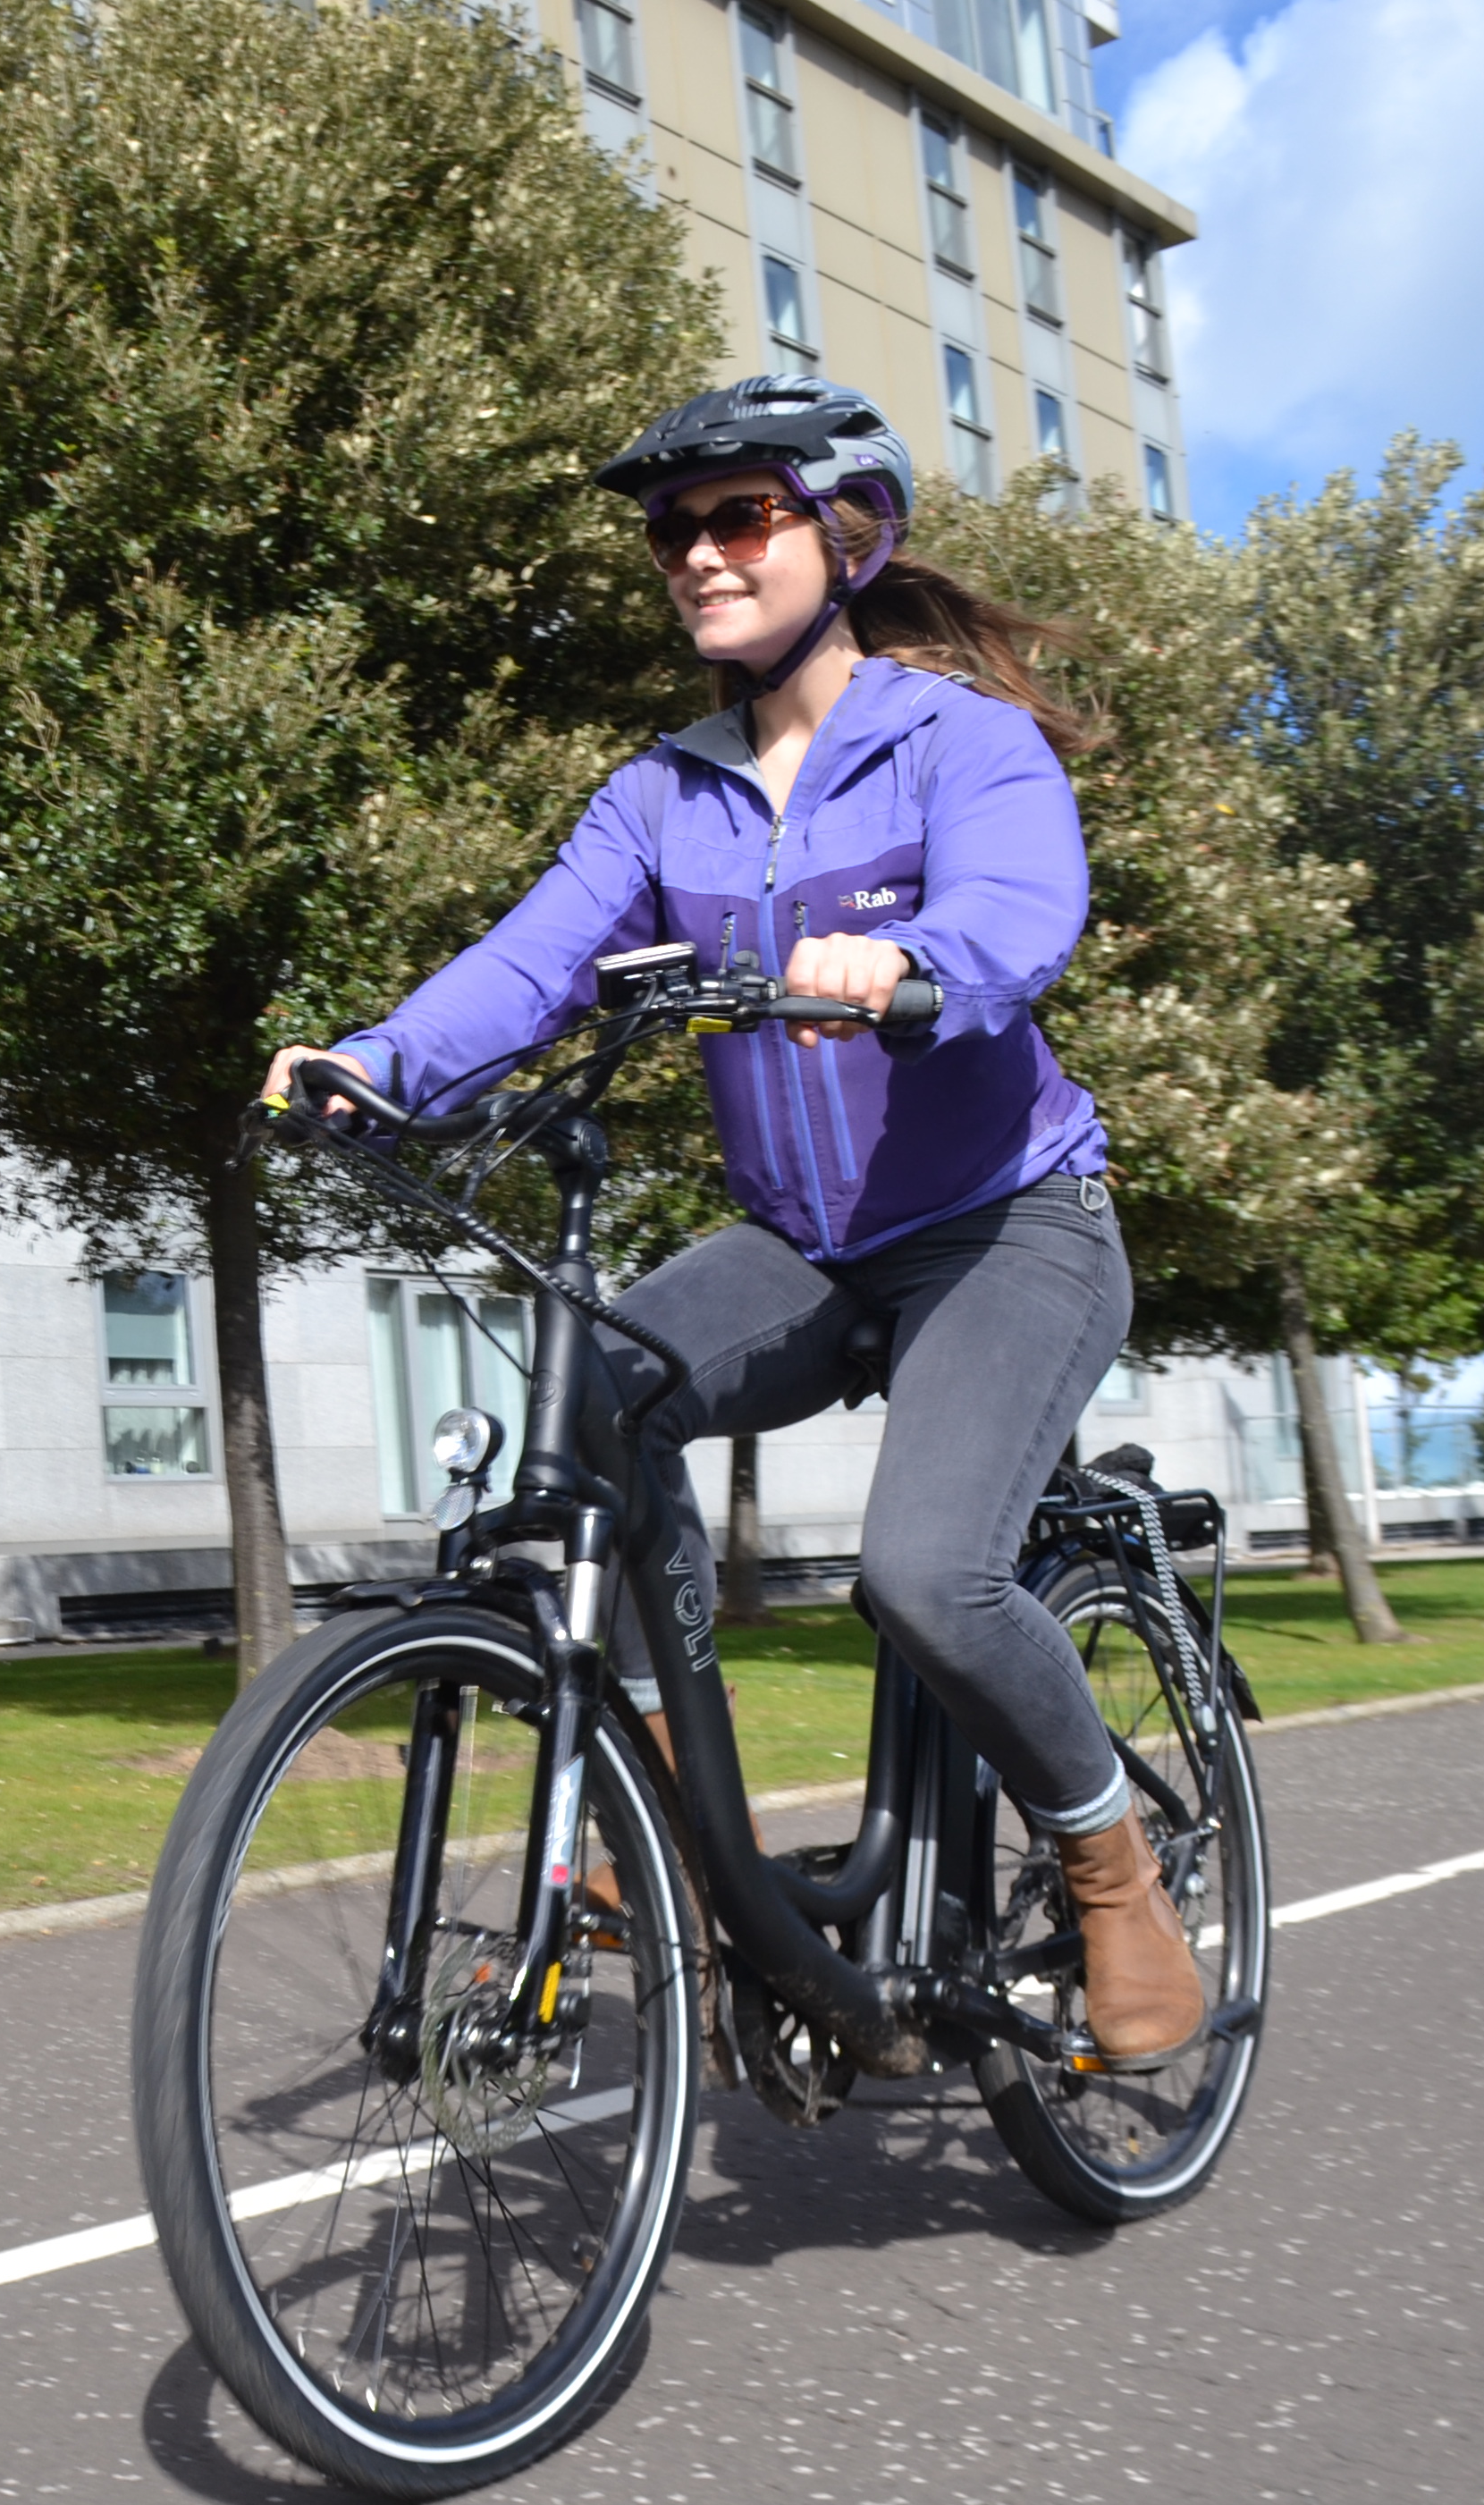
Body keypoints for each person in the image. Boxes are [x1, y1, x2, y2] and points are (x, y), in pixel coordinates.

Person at [265, 374, 1199, 2060]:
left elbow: (1019, 912)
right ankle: (673, 1804)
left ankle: (1108, 1860)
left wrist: (910, 964)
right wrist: (383, 1061)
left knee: (926, 1571)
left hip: (1005, 1225)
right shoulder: (662, 793)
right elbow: (535, 960)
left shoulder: (954, 741)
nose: (698, 553)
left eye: (738, 517)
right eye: (673, 530)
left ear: (846, 534)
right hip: (802, 1242)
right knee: (593, 1394)